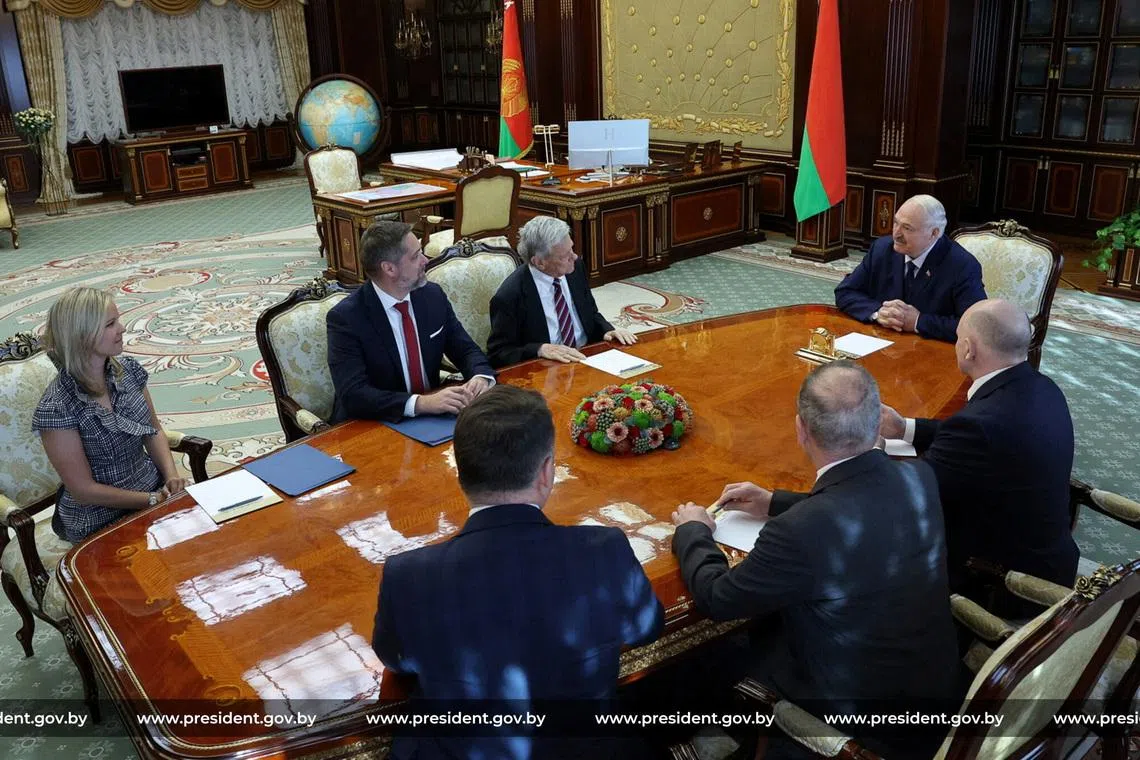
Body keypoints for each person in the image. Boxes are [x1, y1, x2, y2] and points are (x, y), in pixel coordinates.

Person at [671, 361, 959, 758]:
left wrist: (693, 531)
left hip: (859, 716)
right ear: (877, 424)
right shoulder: (919, 475)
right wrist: (774, 502)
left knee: (718, 650)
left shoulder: (798, 532)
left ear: (801, 430)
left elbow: (718, 598)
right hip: (935, 684)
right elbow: (860, 504)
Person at [372, 385, 664, 759]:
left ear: (459, 473)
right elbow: (646, 629)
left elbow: (398, 660)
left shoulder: (407, 574)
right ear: (546, 472)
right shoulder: (604, 549)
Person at [880, 299, 1078, 607]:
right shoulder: (1043, 387)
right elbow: (976, 438)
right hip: (1052, 558)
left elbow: (906, 495)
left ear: (969, 349)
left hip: (1001, 583)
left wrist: (869, 452)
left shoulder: (978, 428)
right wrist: (903, 427)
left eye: (959, 338)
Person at [33, 287, 189, 543]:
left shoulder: (128, 371)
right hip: (99, 517)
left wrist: (171, 477)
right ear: (82, 335)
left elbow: (153, 431)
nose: (123, 328)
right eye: (111, 324)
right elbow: (83, 491)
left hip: (152, 488)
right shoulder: (57, 408)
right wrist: (150, 500)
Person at [326, 220, 495, 423]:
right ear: (389, 269)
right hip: (374, 424)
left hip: (433, 419)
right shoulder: (346, 318)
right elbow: (354, 394)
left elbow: (466, 350)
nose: (425, 260)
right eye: (416, 256)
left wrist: (480, 377)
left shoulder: (432, 296)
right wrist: (420, 404)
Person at [486, 216, 637, 368]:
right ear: (539, 262)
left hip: (587, 356)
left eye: (571, 248)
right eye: (565, 256)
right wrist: (539, 349)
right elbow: (498, 354)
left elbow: (590, 313)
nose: (575, 256)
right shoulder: (510, 296)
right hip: (546, 368)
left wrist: (606, 331)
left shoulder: (575, 268)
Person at [834, 194, 986, 342]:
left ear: (934, 233)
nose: (896, 234)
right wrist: (878, 312)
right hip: (881, 343)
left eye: (907, 228)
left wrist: (918, 321)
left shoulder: (962, 265)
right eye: (895, 223)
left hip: (932, 352)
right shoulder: (882, 249)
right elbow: (845, 292)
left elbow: (974, 326)